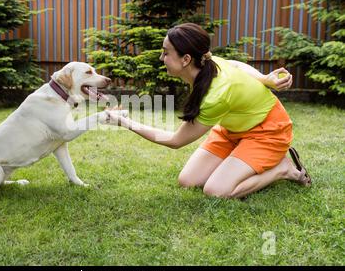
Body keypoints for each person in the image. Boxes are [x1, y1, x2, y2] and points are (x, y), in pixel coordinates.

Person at [105, 23, 311, 199]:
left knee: (216, 191)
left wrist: (125, 122)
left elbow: (175, 141)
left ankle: (283, 169)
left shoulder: (215, 95)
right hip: (232, 131)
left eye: (166, 53)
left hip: (267, 132)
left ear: (186, 59)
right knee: (187, 181)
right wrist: (265, 79)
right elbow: (235, 64)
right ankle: (239, 157)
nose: (161, 58)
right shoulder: (209, 63)